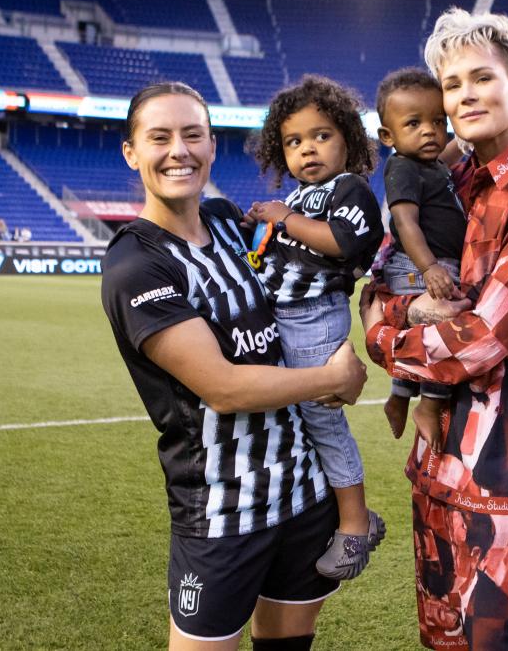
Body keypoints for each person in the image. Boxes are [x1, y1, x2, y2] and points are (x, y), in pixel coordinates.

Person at [101, 82, 368, 651]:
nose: (179, 151)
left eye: (192, 135)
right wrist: (334, 378)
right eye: (160, 138)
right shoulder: (136, 265)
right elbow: (222, 388)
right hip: (223, 512)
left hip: (303, 493)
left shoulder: (228, 221)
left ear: (212, 145)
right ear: (131, 152)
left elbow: (319, 269)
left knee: (289, 641)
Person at [361, 8, 508, 650]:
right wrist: (397, 309)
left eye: (482, 77)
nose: (466, 94)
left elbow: (483, 338)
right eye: (452, 84)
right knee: (441, 641)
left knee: (501, 644)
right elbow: (380, 283)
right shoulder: (452, 182)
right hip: (440, 464)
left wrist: (384, 336)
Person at [247, 74, 386, 581]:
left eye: (321, 136)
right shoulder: (299, 197)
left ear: (348, 138)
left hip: (314, 318)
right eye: (293, 141)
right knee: (292, 418)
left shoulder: (350, 189)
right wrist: (258, 230)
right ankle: (312, 509)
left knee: (323, 419)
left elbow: (342, 242)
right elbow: (273, 252)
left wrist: (283, 219)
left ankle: (356, 524)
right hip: (277, 318)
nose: (307, 149)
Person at [373, 67, 466, 443]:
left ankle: (398, 397)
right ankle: (429, 404)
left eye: (438, 121)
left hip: (433, 264)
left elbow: (454, 148)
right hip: (419, 265)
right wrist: (429, 268)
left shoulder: (432, 163)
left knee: (420, 333)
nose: (429, 130)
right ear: (388, 136)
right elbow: (406, 222)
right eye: (414, 123)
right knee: (442, 331)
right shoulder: (403, 167)